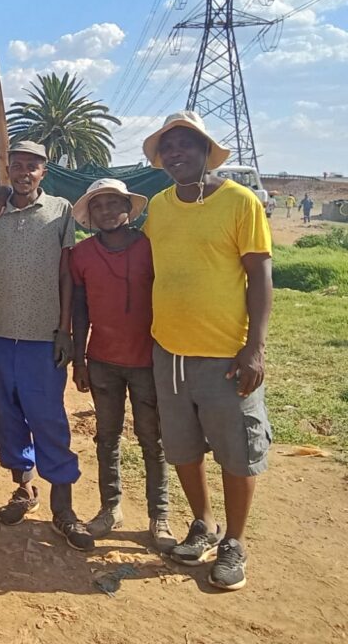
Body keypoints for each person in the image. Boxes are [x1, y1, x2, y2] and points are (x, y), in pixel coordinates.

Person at [142, 110, 272, 591]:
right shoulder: (158, 206)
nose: (175, 152)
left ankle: (234, 542)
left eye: (185, 144)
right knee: (182, 447)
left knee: (236, 451)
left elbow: (259, 273)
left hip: (224, 353)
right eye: (168, 146)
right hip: (168, 350)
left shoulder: (240, 202)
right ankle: (203, 523)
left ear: (204, 150)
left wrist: (254, 348)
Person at [0, 140, 95, 552]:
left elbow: (67, 274)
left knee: (47, 418)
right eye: (17, 165)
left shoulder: (60, 211)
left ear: (44, 172)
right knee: (7, 415)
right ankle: (23, 489)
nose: (24, 172)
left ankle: (63, 509)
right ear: (7, 168)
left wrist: (64, 329)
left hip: (42, 334)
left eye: (33, 166)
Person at [70, 179, 175, 550]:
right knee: (107, 438)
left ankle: (159, 516)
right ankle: (109, 509)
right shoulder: (81, 255)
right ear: (90, 215)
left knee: (152, 440)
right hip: (102, 362)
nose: (107, 211)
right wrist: (78, 358)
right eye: (98, 206)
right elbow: (79, 310)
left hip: (147, 361)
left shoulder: (150, 248)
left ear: (129, 209)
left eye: (114, 204)